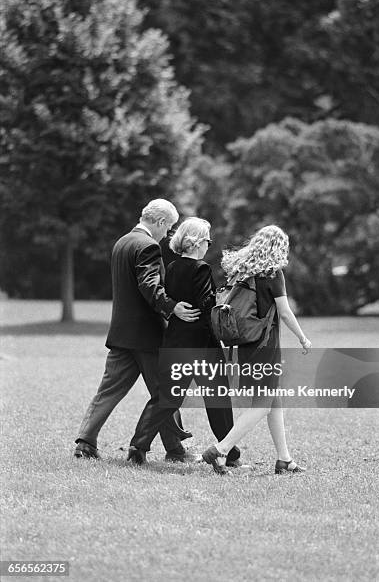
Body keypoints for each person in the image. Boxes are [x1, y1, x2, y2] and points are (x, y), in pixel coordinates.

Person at [74, 199, 201, 462]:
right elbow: (149, 284)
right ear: (160, 222)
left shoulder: (121, 242)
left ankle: (85, 442)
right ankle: (174, 450)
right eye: (168, 229)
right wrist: (171, 306)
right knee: (167, 392)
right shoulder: (148, 246)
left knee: (108, 391)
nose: (167, 236)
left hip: (121, 334)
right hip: (147, 336)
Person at [127, 217, 241, 467]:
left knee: (166, 398)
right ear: (198, 242)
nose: (208, 246)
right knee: (217, 399)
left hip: (176, 341)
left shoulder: (173, 266)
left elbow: (177, 298)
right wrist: (222, 296)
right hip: (202, 345)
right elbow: (206, 305)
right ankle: (229, 453)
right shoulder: (201, 268)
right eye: (208, 241)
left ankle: (138, 446)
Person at [202, 225, 312, 474]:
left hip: (246, 345)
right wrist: (303, 338)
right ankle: (220, 450)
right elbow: (284, 312)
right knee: (262, 405)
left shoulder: (243, 272)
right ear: (279, 247)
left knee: (274, 402)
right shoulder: (273, 274)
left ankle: (284, 459)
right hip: (265, 347)